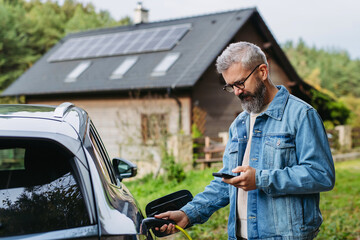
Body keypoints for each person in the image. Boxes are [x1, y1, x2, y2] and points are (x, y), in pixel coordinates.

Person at [155, 41, 335, 240]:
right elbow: (226, 183)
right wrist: (188, 214)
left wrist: (261, 179)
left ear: (263, 72)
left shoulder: (301, 115)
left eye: (240, 83)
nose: (237, 92)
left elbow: (321, 174)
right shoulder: (239, 124)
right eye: (231, 86)